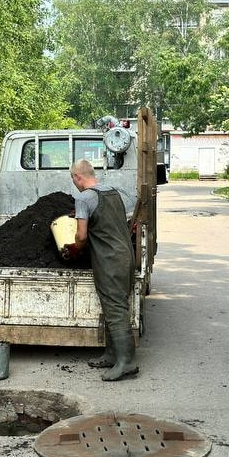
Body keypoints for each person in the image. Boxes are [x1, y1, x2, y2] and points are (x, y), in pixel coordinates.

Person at [61, 158, 138, 381]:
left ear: (77, 177)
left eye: (72, 178)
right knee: (113, 304)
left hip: (109, 260)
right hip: (125, 255)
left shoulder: (84, 198)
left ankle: (126, 362)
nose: (74, 182)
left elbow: (82, 236)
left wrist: (74, 248)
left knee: (115, 308)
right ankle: (112, 354)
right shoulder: (113, 192)